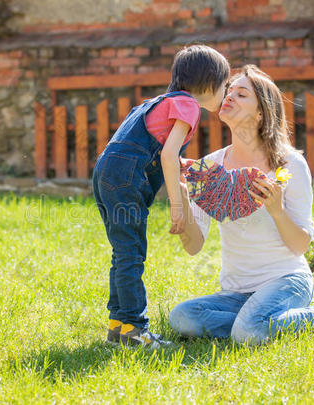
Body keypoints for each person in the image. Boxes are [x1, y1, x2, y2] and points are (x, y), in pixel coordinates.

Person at [169, 65, 314, 346]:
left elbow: (300, 245)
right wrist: (182, 192)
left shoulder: (289, 165)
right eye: (229, 91)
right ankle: (259, 322)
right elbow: (193, 246)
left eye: (241, 94)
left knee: (248, 333)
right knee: (182, 319)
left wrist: (277, 210)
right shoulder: (209, 167)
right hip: (237, 292)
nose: (229, 97)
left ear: (261, 113)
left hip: (286, 281)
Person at [93, 45, 230, 348]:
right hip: (127, 178)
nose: (226, 92)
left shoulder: (159, 102)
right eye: (225, 84)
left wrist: (180, 163)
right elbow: (168, 155)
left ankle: (118, 326)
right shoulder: (189, 106)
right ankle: (134, 330)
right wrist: (177, 207)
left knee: (124, 251)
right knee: (132, 254)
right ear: (210, 83)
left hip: (108, 172)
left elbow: (153, 149)